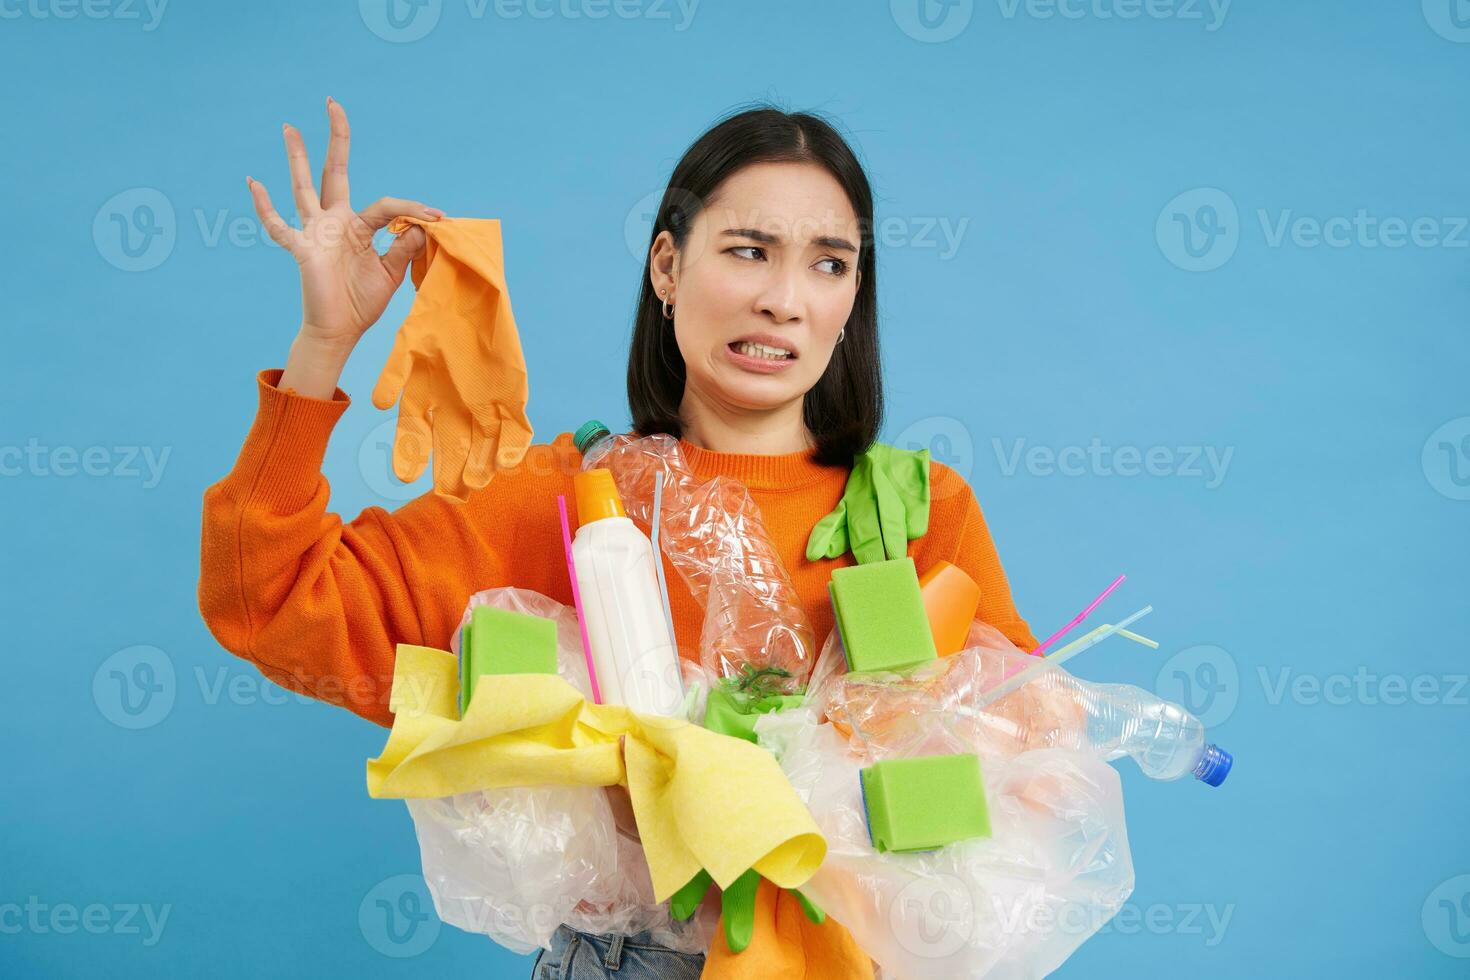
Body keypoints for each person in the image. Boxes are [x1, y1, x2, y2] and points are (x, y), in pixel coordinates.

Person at [198, 98, 1039, 979]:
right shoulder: (570, 502)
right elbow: (267, 598)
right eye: (749, 251)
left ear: (851, 295)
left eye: (829, 263)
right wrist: (324, 345)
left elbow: (1022, 754)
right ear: (668, 267)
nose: (784, 300)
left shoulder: (914, 514)